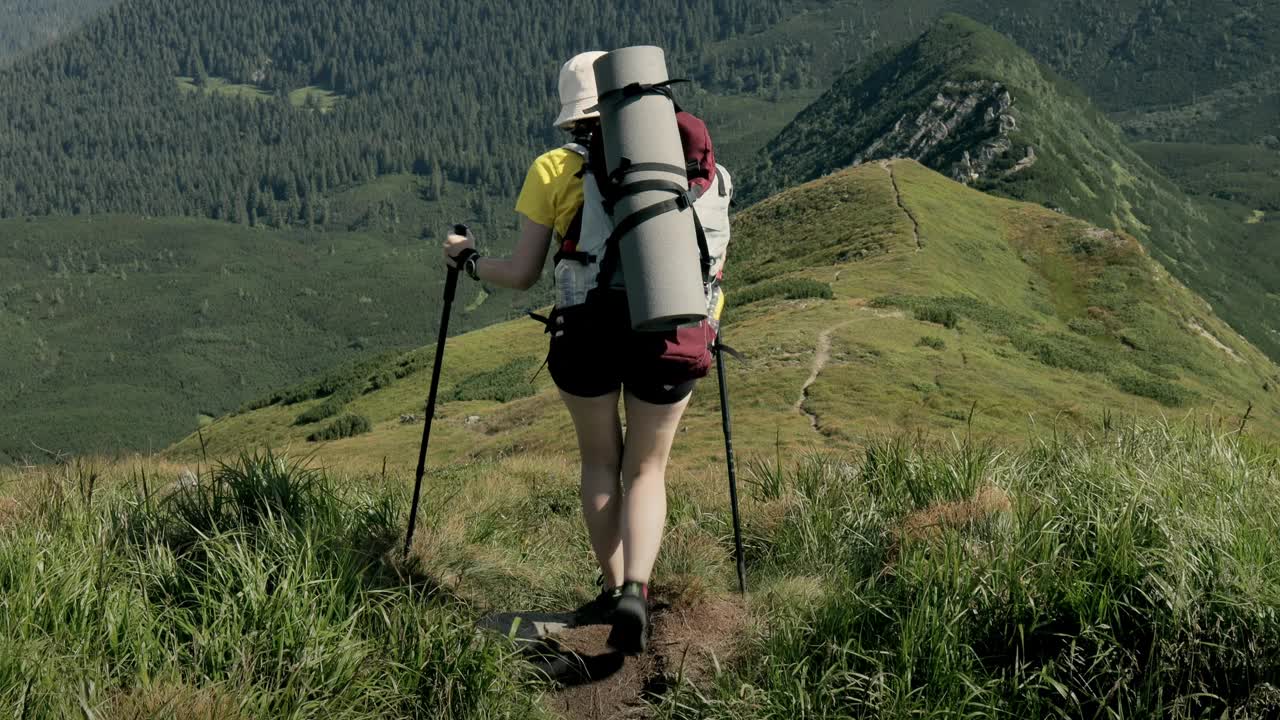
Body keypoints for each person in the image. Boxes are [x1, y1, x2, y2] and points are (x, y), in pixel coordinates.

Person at [442, 51, 708, 654]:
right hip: (669, 335)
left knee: (599, 462)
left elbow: (524, 272)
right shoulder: (688, 167)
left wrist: (469, 259)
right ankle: (638, 591)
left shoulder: (553, 169)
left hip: (587, 334)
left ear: (576, 116)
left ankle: (613, 591)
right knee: (647, 468)